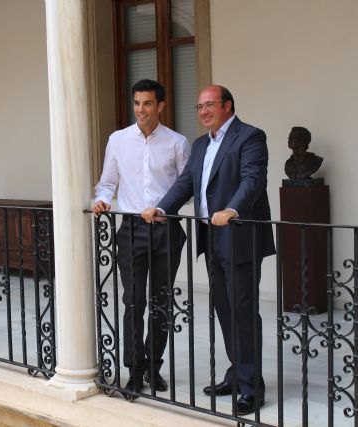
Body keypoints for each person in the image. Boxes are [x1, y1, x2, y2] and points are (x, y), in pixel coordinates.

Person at [141, 85, 275, 414]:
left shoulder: (250, 137)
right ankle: (238, 372)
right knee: (225, 310)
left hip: (239, 235)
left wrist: (233, 209)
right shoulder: (202, 144)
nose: (203, 112)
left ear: (228, 105)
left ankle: (251, 385)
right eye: (199, 106)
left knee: (242, 310)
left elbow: (252, 180)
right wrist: (162, 207)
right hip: (211, 237)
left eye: (210, 105)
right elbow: (186, 183)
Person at [93, 79, 190, 395]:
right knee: (133, 302)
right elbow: (107, 182)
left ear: (160, 106)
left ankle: (153, 367)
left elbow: (185, 189)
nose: (141, 110)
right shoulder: (118, 141)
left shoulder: (178, 143)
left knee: (161, 302)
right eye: (137, 103)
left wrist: (162, 208)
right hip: (132, 230)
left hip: (166, 230)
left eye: (147, 103)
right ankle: (134, 370)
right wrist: (103, 199)